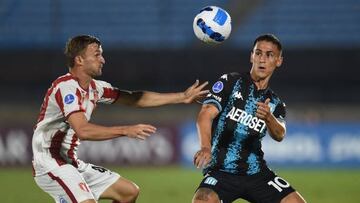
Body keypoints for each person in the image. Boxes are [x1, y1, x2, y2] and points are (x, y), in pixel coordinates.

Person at [32, 34, 208, 203]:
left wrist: (182, 97)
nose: (103, 60)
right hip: (49, 161)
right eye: (97, 54)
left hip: (70, 162)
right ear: (79, 60)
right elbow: (83, 130)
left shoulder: (96, 88)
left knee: (128, 192)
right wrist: (126, 130)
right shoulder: (66, 87)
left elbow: (135, 98)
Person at [192, 34, 306, 203]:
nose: (262, 59)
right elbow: (206, 113)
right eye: (258, 53)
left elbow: (280, 134)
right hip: (221, 171)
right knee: (203, 200)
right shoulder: (231, 82)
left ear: (279, 61)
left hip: (256, 173)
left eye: (269, 55)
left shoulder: (275, 103)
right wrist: (206, 147)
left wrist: (269, 117)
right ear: (251, 56)